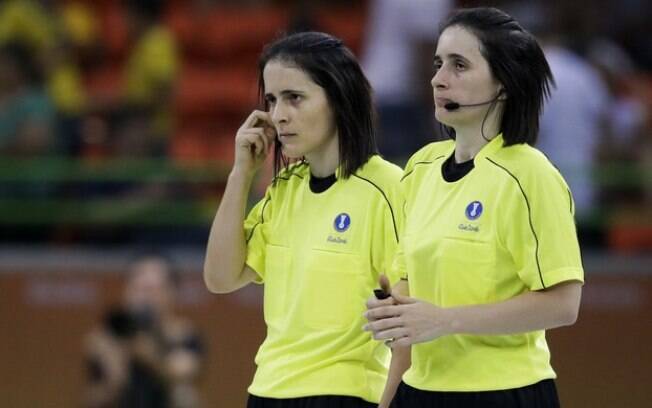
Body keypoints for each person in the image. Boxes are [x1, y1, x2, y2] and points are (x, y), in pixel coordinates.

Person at [364, 7, 584, 408]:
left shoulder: (530, 174)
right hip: (421, 392)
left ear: (504, 84)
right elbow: (410, 295)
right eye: (438, 64)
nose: (438, 78)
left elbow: (563, 304)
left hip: (504, 393)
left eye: (459, 65)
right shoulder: (421, 166)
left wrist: (445, 320)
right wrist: (393, 315)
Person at [203, 31, 403, 407]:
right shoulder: (284, 189)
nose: (279, 115)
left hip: (345, 394)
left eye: (295, 98)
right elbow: (220, 278)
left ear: (339, 98)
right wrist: (240, 175)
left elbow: (409, 324)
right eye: (272, 100)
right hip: (266, 391)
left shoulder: (389, 188)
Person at [84, 253, 203, 408]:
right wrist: (115, 367)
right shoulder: (107, 336)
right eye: (139, 288)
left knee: (185, 394)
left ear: (171, 292)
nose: (145, 297)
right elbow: (93, 398)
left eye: (153, 289)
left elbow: (185, 372)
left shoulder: (183, 335)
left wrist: (148, 355)